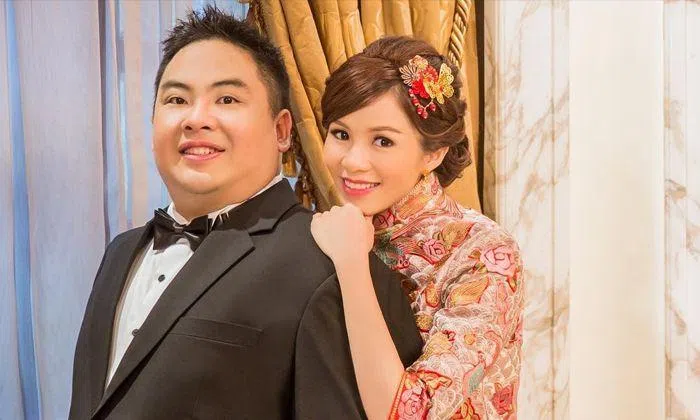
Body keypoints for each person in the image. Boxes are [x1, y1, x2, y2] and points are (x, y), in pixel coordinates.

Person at [69, 8, 422, 420]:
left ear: (282, 130)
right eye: (177, 99)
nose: (196, 119)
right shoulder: (120, 251)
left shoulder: (332, 266)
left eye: (227, 99)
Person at [311, 36, 524, 419]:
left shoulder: (484, 254)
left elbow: (411, 412)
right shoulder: (326, 232)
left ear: (434, 153)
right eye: (341, 134)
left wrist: (352, 265)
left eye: (382, 141)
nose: (353, 161)